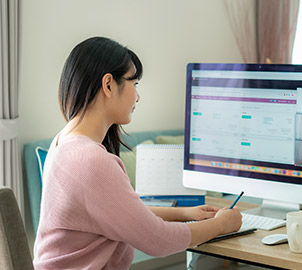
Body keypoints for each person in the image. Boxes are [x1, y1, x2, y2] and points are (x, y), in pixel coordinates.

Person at [33, 37, 242, 269]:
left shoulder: (64, 141)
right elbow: (159, 240)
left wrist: (183, 213)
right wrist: (221, 225)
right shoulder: (90, 160)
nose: (138, 96)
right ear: (109, 85)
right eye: (135, 84)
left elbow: (122, 212)